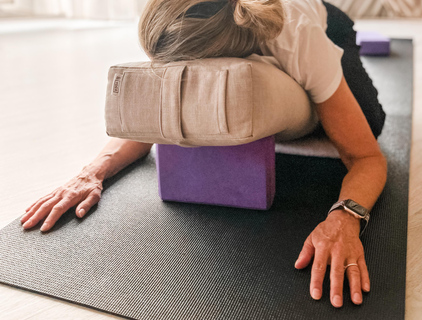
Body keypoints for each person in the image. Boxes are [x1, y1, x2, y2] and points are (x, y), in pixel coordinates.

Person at [20, 0, 387, 309]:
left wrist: (345, 218)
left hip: (326, 20)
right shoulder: (177, 17)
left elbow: (366, 158)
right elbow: (154, 118)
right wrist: (92, 171)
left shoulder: (297, 36)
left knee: (370, 121)